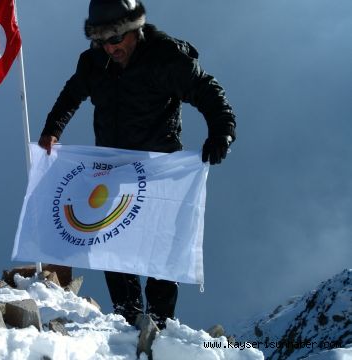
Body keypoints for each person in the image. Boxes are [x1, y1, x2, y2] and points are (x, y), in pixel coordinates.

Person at [38, 0, 236, 329]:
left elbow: (207, 90)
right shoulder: (93, 62)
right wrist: (52, 129)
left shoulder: (165, 57)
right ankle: (128, 317)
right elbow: (71, 95)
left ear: (135, 29)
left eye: (115, 39)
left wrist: (222, 132)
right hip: (114, 168)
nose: (110, 48)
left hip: (159, 167)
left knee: (160, 246)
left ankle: (159, 322)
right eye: (101, 41)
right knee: (109, 239)